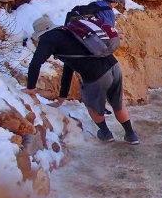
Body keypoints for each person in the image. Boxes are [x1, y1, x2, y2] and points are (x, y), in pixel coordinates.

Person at [22, 12, 140, 144]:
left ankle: (106, 134)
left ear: (41, 33)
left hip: (96, 74)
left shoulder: (48, 38)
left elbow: (35, 63)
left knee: (93, 106)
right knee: (117, 104)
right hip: (114, 65)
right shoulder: (70, 33)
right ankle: (131, 135)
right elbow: (69, 68)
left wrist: (31, 88)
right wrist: (62, 97)